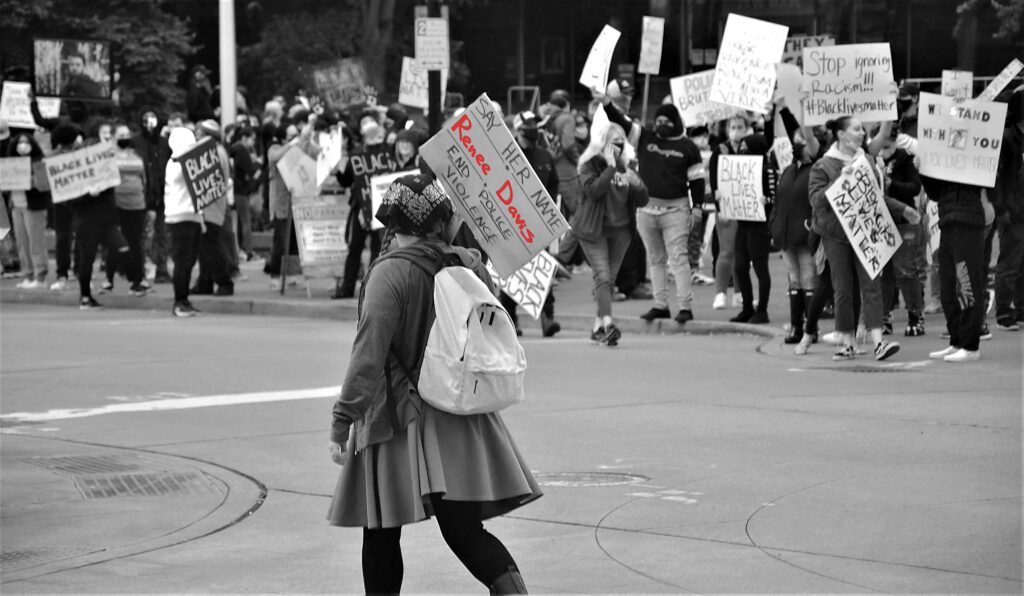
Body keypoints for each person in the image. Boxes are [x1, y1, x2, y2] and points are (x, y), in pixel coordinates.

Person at [327, 174, 539, 595]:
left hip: (399, 417)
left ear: (394, 221)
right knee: (464, 531)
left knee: (382, 530)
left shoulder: (390, 274)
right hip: (459, 410)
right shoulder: (467, 262)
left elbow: (368, 354)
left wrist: (342, 419)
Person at [808, 117, 911, 361]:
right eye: (856, 130)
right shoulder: (823, 165)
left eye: (862, 130)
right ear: (842, 135)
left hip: (865, 231)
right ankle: (847, 342)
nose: (862, 134)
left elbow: (875, 197)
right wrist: (840, 180)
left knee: (872, 285)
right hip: (836, 236)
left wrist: (901, 209)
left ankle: (878, 343)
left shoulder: (866, 160)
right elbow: (815, 200)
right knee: (843, 288)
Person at [599, 96, 705, 324]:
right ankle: (660, 305)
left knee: (678, 259)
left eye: (666, 121)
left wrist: (697, 208)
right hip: (646, 210)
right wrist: (606, 103)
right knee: (655, 259)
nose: (661, 125)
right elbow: (622, 121)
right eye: (658, 120)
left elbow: (697, 181)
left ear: (676, 122)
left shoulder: (688, 148)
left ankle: (685, 306)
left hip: (676, 211)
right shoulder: (645, 137)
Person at [575, 123, 649, 346]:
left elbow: (643, 199)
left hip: (621, 231)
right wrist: (609, 167)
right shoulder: (588, 164)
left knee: (607, 280)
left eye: (620, 142)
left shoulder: (628, 165)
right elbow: (594, 191)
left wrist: (638, 185)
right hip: (593, 231)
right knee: (603, 276)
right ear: (601, 143)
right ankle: (608, 324)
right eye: (612, 142)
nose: (617, 146)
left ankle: (598, 328)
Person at [51, 123, 129, 310]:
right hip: (86, 223)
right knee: (87, 260)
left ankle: (122, 280)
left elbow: (112, 187)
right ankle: (85, 297)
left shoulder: (107, 170)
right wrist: (89, 194)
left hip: (107, 221)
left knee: (124, 249)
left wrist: (102, 186)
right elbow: (70, 200)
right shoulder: (78, 175)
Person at [710, 114, 773, 323]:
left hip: (758, 225)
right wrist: (722, 200)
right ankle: (746, 307)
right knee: (740, 266)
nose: (742, 150)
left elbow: (774, 195)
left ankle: (762, 309)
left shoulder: (766, 169)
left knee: (760, 267)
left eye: (746, 147)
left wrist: (767, 200)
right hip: (743, 221)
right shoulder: (732, 160)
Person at [505, 111, 561, 337]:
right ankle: (511, 319)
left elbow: (554, 186)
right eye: (528, 125)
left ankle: (547, 318)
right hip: (512, 222)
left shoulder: (545, 156)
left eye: (535, 125)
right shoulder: (508, 154)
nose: (532, 129)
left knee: (542, 271)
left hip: (538, 225)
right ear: (518, 129)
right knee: (512, 274)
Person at [922, 173, 988, 362]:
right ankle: (957, 340)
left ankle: (970, 345)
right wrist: (923, 171)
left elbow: (988, 178)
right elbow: (935, 193)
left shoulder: (972, 154)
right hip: (947, 221)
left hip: (969, 220)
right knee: (948, 285)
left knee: (967, 282)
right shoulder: (945, 161)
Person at [769, 110, 821, 345]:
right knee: (794, 281)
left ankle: (811, 329)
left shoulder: (816, 169)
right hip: (786, 235)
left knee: (809, 279)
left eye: (801, 141)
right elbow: (780, 200)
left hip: (805, 235)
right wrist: (774, 226)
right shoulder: (789, 170)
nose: (796, 144)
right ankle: (796, 328)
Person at [333, 119, 397, 298]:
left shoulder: (388, 154)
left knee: (376, 250)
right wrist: (338, 169)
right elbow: (346, 180)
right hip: (360, 208)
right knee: (355, 248)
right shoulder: (357, 156)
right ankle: (348, 288)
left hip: (380, 209)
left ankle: (371, 290)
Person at [875, 125, 925, 336]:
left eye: (888, 146)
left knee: (905, 269)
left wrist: (891, 184)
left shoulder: (905, 158)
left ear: (896, 142)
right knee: (884, 272)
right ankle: (884, 317)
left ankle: (915, 315)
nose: (884, 151)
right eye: (881, 146)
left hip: (904, 219)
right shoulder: (872, 160)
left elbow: (914, 187)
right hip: (881, 221)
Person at [191, 120, 235, 296]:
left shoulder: (213, 153)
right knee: (205, 248)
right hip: (210, 207)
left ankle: (224, 281)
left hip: (210, 207)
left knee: (211, 247)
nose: (196, 137)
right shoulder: (218, 151)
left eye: (199, 134)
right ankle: (205, 282)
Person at [993, 86, 1024, 332]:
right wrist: (1002, 209)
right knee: (1010, 263)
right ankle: (1004, 312)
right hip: (1012, 212)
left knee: (1021, 264)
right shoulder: (1006, 137)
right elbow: (998, 177)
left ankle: (1021, 310)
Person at [105, 122, 148, 296]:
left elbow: (144, 179)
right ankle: (109, 278)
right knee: (117, 242)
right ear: (114, 137)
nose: (124, 138)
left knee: (135, 242)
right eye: (120, 136)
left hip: (137, 204)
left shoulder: (136, 155)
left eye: (126, 135)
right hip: (117, 204)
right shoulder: (108, 156)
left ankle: (137, 280)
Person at [164, 127, 203, 317]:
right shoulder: (176, 164)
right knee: (182, 261)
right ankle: (179, 301)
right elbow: (187, 174)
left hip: (192, 216)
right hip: (180, 217)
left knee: (189, 261)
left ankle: (184, 298)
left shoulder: (184, 162)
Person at [6, 133, 51, 288]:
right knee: (22, 243)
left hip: (34, 207)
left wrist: (27, 180)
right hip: (16, 207)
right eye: (20, 142)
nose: (23, 145)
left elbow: (44, 185)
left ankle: (40, 277)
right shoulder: (9, 163)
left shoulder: (39, 162)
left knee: (36, 242)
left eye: (26, 142)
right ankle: (28, 275)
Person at [229, 125, 261, 261]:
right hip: (241, 190)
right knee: (245, 220)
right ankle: (248, 251)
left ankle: (240, 249)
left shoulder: (232, 149)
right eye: (251, 139)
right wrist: (257, 163)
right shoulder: (242, 150)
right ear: (244, 138)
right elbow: (251, 171)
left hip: (234, 189)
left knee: (239, 221)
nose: (253, 142)